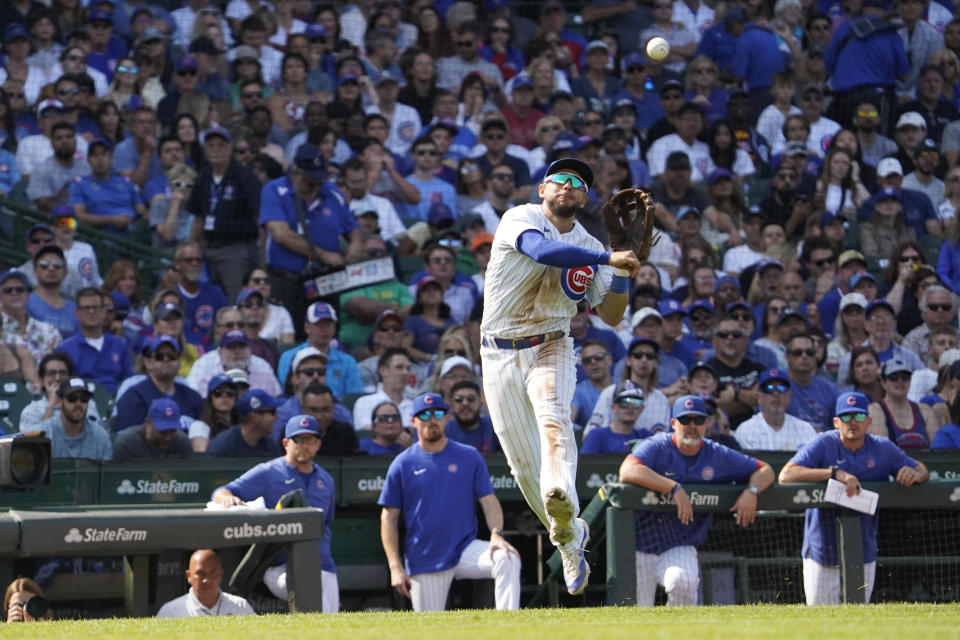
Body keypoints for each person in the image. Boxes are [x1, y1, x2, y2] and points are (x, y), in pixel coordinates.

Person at [479, 157, 639, 595]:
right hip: (499, 353)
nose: (567, 186)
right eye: (560, 179)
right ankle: (569, 538)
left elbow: (610, 313)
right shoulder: (521, 217)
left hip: (552, 342)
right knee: (523, 464)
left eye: (577, 183)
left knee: (554, 418)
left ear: (585, 197)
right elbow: (542, 251)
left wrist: (621, 272)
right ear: (543, 188)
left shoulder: (589, 243)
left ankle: (563, 505)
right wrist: (610, 255)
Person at [618, 395, 775, 606]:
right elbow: (627, 470)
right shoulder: (657, 445)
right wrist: (673, 487)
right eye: (685, 420)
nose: (692, 426)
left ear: (707, 423)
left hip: (679, 544)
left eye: (698, 420)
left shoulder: (716, 453)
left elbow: (766, 470)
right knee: (635, 611)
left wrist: (752, 491)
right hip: (639, 543)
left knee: (683, 581)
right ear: (673, 423)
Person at [778, 391, 929, 605]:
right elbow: (786, 475)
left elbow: (921, 468)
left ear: (868, 421)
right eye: (846, 417)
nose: (852, 422)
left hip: (863, 548)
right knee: (821, 622)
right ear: (836, 422)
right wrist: (833, 473)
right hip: (822, 547)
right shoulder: (823, 443)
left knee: (857, 618)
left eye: (858, 417)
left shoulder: (882, 447)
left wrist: (916, 474)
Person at [378, 392, 521, 612]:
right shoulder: (402, 464)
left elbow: (489, 500)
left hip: (466, 548)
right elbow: (389, 518)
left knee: (507, 558)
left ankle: (510, 629)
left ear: (446, 418)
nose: (431, 419)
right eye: (424, 415)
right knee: (429, 630)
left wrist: (496, 534)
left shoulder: (470, 456)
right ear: (413, 421)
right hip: (425, 556)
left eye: (437, 413)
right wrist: (395, 566)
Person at [212, 414, 339, 612]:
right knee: (315, 603)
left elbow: (327, 522)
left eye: (310, 439)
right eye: (299, 439)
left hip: (323, 564)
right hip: (279, 566)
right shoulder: (269, 472)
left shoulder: (326, 479)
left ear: (318, 444)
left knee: (334, 621)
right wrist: (227, 498)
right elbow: (221, 491)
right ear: (286, 443)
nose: (304, 445)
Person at [187, 126, 261, 302]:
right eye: (211, 146)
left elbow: (258, 218)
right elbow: (198, 218)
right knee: (210, 301)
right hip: (208, 248)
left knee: (236, 300)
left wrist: (261, 255)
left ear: (229, 149)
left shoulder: (244, 176)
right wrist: (191, 248)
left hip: (236, 250)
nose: (215, 150)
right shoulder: (202, 178)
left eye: (220, 145)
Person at [114, 334, 202, 430]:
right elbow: (128, 439)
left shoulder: (192, 396)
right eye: (159, 356)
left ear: (179, 360)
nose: (166, 359)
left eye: (172, 355)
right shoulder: (134, 397)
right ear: (148, 362)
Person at [56, 287, 134, 396]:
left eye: (95, 307)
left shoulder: (120, 345)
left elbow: (129, 382)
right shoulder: (64, 349)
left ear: (103, 311)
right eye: (86, 307)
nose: (91, 311)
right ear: (77, 313)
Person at [734, 369, 818, 450]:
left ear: (790, 397)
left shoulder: (805, 429)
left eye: (781, 388)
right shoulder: (745, 430)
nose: (775, 393)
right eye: (768, 389)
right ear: (759, 397)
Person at [157, 549, 254, 618]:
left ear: (220, 574)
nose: (207, 580)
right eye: (200, 574)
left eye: (213, 573)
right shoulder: (170, 612)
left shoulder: (241, 607)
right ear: (189, 576)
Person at [186, 329, 281, 398]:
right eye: (231, 347)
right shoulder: (208, 379)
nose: (237, 351)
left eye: (242, 347)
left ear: (250, 350)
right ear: (220, 353)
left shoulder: (264, 373)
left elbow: (278, 399)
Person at [867, 358, 939, 448]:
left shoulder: (925, 411)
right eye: (894, 377)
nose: (900, 380)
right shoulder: (875, 410)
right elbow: (881, 451)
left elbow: (937, 450)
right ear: (883, 382)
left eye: (905, 377)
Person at [35, 377, 112, 461]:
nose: (78, 404)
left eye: (84, 399)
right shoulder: (43, 435)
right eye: (72, 398)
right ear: (59, 402)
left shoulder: (101, 437)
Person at [206, 389, 284, 457]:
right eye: (272, 412)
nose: (277, 417)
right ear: (255, 417)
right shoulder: (222, 446)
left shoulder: (270, 446)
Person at [112, 398, 193, 462]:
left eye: (173, 431)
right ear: (148, 422)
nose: (168, 438)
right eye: (163, 432)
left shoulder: (182, 441)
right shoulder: (128, 443)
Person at [580, 383, 651, 454]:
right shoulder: (596, 436)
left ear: (642, 408)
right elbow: (585, 464)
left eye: (635, 403)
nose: (630, 407)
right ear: (613, 407)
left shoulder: (646, 437)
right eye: (624, 402)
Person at [444, 379, 499, 454]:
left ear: (480, 403)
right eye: (458, 399)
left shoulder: (495, 427)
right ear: (451, 406)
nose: (465, 403)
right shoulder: (443, 431)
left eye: (471, 398)